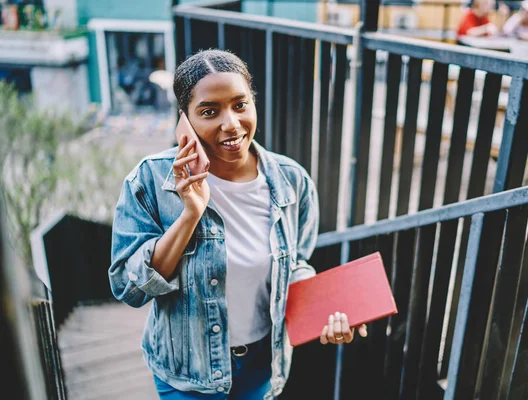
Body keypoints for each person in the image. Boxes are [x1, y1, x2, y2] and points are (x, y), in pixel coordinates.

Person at [108, 49, 368, 400]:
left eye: (240, 105)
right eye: (209, 111)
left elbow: (294, 264)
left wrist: (328, 311)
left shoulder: (292, 180)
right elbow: (129, 287)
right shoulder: (150, 180)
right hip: (187, 374)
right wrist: (189, 214)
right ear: (184, 118)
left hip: (264, 365)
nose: (230, 123)